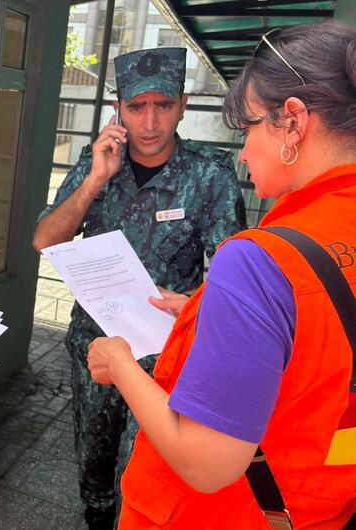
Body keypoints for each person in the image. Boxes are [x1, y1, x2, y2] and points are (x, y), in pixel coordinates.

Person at [87, 22, 356, 528]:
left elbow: (207, 463)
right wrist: (202, 309)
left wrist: (119, 362)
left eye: (249, 127)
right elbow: (315, 346)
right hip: (321, 505)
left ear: (293, 122)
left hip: (225, 513)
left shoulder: (259, 260)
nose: (244, 152)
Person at [33, 48, 247, 528]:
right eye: (136, 107)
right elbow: (44, 241)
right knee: (93, 464)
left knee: (143, 471)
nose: (150, 122)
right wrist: (94, 180)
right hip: (96, 348)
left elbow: (231, 278)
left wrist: (193, 305)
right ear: (118, 109)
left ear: (183, 105)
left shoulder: (209, 175)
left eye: (163, 105)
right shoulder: (96, 164)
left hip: (163, 358)